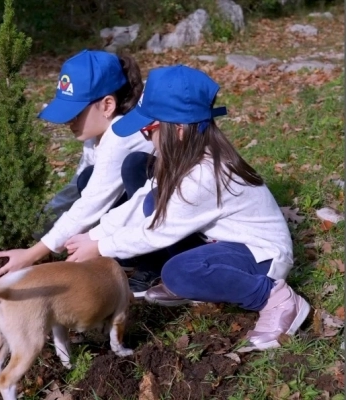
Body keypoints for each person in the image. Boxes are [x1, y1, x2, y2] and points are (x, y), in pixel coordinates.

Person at [63, 64, 311, 351]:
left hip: (261, 256)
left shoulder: (204, 175)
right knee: (151, 201)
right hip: (225, 243)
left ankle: (276, 299)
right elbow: (139, 204)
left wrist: (102, 247)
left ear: (178, 130)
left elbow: (155, 233)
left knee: (179, 272)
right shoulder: (181, 158)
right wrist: (94, 235)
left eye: (147, 129)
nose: (144, 137)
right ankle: (196, 279)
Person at [0, 49, 155, 293]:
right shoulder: (98, 132)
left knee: (133, 168)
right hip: (150, 199)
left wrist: (33, 253)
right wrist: (38, 227)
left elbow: (92, 203)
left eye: (76, 113)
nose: (69, 122)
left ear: (107, 104)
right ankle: (130, 253)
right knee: (86, 179)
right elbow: (75, 190)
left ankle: (155, 261)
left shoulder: (121, 134)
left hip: (177, 211)